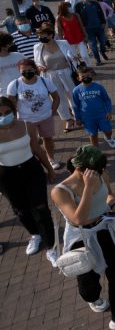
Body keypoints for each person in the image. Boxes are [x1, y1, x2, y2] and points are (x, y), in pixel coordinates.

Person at [50, 146, 115, 330]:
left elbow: (109, 194)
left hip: (106, 229)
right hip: (81, 238)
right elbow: (78, 218)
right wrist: (88, 188)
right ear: (80, 169)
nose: (100, 174)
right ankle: (92, 298)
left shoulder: (102, 174)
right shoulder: (60, 191)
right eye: (96, 171)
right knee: (88, 283)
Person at [0, 96, 57, 265]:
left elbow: (37, 149)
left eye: (7, 112)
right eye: (0, 114)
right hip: (6, 175)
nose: (4, 116)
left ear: (14, 111)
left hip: (31, 171)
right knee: (21, 210)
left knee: (40, 208)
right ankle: (35, 234)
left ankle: (51, 247)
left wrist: (50, 168)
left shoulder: (26, 126)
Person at [7, 58, 62, 169]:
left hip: (45, 116)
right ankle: (36, 163)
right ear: (19, 70)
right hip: (26, 120)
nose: (27, 72)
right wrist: (13, 120)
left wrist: (52, 112)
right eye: (24, 70)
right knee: (31, 142)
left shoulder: (45, 81)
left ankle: (51, 159)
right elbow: (11, 104)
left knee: (48, 139)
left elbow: (56, 97)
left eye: (30, 69)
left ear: (35, 69)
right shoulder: (14, 85)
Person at [33, 24, 78, 132]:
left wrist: (73, 57)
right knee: (58, 99)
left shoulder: (63, 43)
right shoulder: (37, 47)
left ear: (51, 35)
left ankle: (78, 117)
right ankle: (68, 119)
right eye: (39, 36)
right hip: (50, 75)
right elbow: (37, 62)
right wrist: (39, 67)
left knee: (72, 95)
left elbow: (71, 55)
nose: (41, 38)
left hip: (66, 72)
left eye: (44, 36)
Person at [72, 65, 115, 149]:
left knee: (108, 130)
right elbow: (76, 105)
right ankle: (95, 149)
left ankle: (108, 138)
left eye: (88, 75)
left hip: (102, 115)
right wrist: (77, 118)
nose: (86, 77)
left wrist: (109, 111)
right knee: (93, 134)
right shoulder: (76, 90)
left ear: (92, 75)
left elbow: (107, 100)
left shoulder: (99, 87)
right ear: (78, 78)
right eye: (83, 76)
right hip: (87, 117)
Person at [78, 0, 109, 66]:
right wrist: (82, 29)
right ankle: (98, 60)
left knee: (103, 41)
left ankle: (102, 51)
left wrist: (103, 22)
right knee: (93, 45)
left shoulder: (95, 3)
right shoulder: (79, 6)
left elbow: (101, 13)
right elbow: (78, 17)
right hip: (88, 29)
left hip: (99, 26)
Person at [56, 2, 91, 66]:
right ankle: (76, 71)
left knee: (84, 55)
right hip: (69, 40)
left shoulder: (76, 15)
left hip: (80, 38)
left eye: (70, 6)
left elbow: (81, 26)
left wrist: (85, 35)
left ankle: (89, 67)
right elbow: (60, 31)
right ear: (64, 8)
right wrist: (61, 42)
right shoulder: (59, 18)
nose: (70, 8)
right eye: (68, 7)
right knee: (73, 58)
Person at [0, 32, 25, 97]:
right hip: (6, 93)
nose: (11, 45)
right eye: (9, 43)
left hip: (24, 89)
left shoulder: (19, 56)